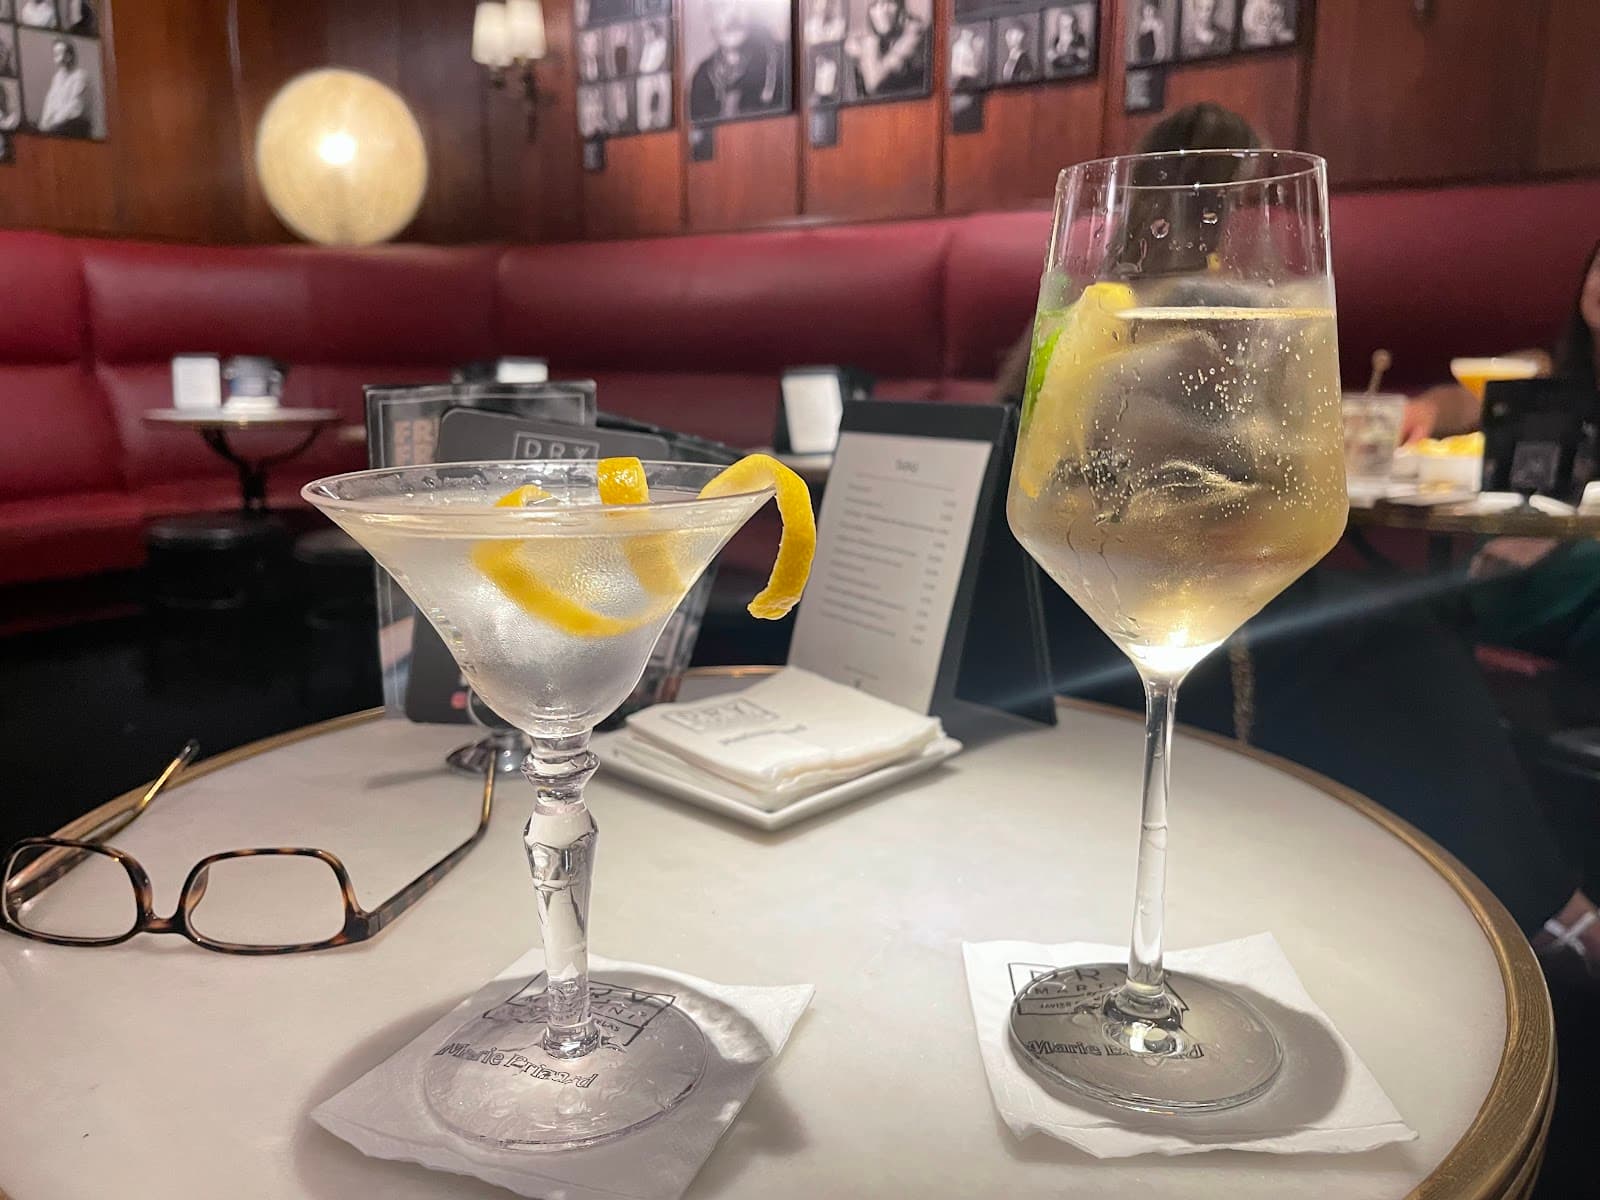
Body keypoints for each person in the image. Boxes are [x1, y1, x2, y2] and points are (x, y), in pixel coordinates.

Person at [996, 102, 1600, 987]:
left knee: (1392, 630)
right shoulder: (1184, 312)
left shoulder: (1105, 308)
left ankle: (1521, 915)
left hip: (1141, 586)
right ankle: (1553, 916)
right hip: (1151, 583)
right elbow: (1242, 470)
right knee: (1394, 638)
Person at [688, 0, 785, 122]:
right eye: (721, 6)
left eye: (739, 5)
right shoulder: (702, 76)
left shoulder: (781, 59)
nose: (732, 16)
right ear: (710, 18)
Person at [844, 0, 928, 99]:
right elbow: (849, 45)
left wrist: (869, 46)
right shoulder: (876, 37)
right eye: (875, 4)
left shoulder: (914, 30)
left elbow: (874, 82)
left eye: (888, 2)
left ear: (900, 7)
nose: (881, 10)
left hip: (914, 106)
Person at [38, 38, 92, 138]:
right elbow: (50, 103)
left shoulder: (81, 76)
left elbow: (75, 107)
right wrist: (44, 124)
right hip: (56, 126)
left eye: (60, 54)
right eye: (55, 55)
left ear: (69, 56)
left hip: (74, 127)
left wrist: (52, 123)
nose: (57, 59)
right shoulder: (57, 78)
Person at [1046, 8, 1090, 74]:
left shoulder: (1079, 37)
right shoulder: (1056, 39)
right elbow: (1050, 56)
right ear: (1059, 25)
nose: (1066, 28)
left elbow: (1085, 54)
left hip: (1075, 71)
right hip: (1059, 71)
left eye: (1069, 24)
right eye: (1063, 25)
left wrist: (1078, 52)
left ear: (1074, 25)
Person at [949, 25, 985, 91]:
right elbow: (957, 69)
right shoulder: (959, 47)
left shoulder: (971, 49)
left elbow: (975, 68)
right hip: (960, 81)